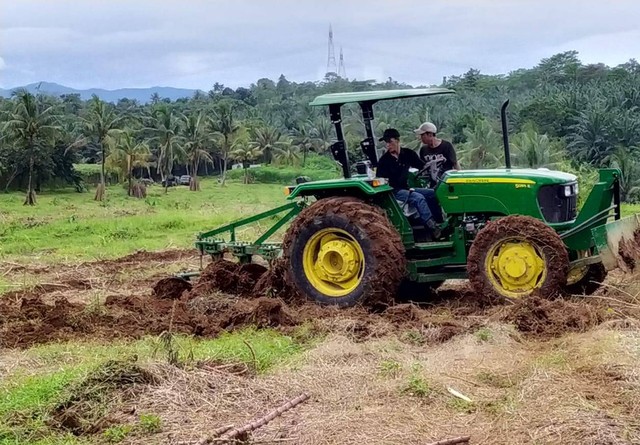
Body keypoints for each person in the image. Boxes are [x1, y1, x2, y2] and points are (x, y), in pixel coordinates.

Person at [375, 128, 441, 238]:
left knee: (432, 193)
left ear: (397, 140)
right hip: (394, 191)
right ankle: (432, 228)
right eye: (386, 143)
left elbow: (422, 166)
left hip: (406, 188)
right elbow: (381, 180)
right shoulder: (384, 161)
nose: (388, 145)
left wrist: (433, 168)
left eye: (390, 142)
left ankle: (439, 221)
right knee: (418, 198)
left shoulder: (408, 154)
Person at [414, 122, 460, 188]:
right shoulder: (423, 149)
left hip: (445, 183)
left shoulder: (446, 146)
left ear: (430, 134)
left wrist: (458, 180)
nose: (421, 138)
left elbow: (455, 163)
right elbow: (422, 168)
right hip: (431, 184)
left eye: (422, 135)